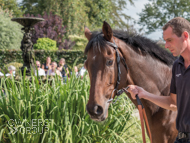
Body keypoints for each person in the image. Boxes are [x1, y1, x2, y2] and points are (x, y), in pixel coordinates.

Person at [127, 17, 190, 143]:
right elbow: (173, 103)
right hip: (181, 139)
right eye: (165, 41)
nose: (166, 45)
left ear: (185, 35)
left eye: (170, 40)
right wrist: (144, 94)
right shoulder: (177, 65)